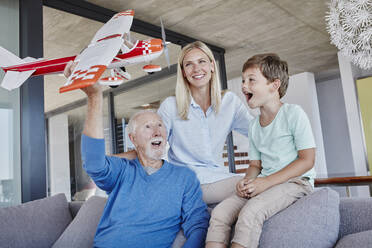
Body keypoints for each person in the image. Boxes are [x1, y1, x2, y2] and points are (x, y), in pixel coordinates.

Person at [76, 78, 210, 247]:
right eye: (147, 127)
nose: (157, 131)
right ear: (133, 139)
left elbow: (198, 224)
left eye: (160, 125)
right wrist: (95, 97)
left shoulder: (184, 178)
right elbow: (94, 163)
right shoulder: (122, 171)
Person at [205, 53, 316, 248]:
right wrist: (246, 181)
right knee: (220, 213)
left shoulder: (293, 114)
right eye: (243, 80)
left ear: (274, 85)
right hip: (265, 181)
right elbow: (255, 164)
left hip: (296, 183)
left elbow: (307, 160)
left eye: (251, 80)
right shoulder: (254, 126)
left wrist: (266, 182)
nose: (244, 85)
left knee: (251, 212)